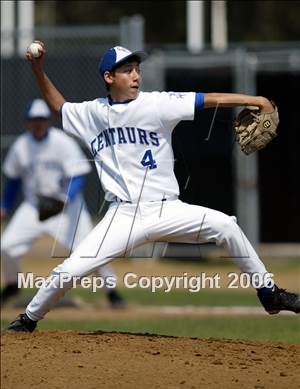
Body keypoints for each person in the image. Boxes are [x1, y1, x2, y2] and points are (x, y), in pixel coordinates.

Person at [7, 42, 299, 332]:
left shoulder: (157, 103)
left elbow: (209, 99)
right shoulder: (92, 113)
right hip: (123, 215)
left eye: (137, 69)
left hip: (167, 208)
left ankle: (269, 294)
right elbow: (59, 107)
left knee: (226, 226)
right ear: (109, 77)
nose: (136, 75)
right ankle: (27, 320)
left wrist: (256, 98)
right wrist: (38, 70)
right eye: (127, 70)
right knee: (70, 270)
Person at [1, 98, 126, 309]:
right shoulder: (21, 146)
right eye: (33, 120)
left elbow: (78, 176)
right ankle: (12, 285)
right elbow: (13, 180)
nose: (37, 123)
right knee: (6, 247)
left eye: (41, 119)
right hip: (35, 207)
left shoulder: (62, 142)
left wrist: (66, 198)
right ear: (26, 122)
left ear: (48, 121)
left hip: (67, 207)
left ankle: (112, 291)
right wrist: (4, 204)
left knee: (91, 250)